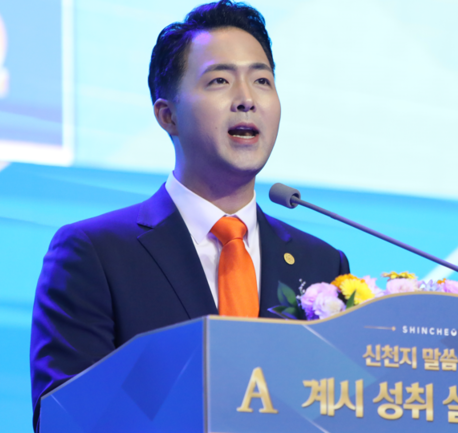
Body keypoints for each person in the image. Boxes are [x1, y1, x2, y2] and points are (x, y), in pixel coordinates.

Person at [29, 1, 349, 430]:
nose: (247, 100)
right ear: (168, 116)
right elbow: (65, 417)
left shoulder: (323, 264)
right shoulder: (95, 254)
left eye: (262, 80)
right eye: (220, 81)